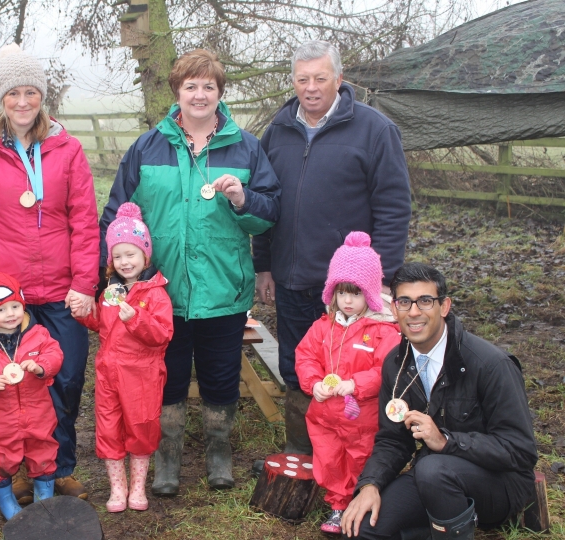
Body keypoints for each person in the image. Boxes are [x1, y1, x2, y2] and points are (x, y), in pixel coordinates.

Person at [99, 49, 280, 495]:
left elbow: (270, 212)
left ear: (220, 92)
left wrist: (243, 200)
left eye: (209, 86)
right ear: (177, 91)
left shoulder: (246, 146)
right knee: (166, 376)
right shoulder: (147, 146)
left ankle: (219, 452)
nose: (199, 95)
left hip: (223, 289)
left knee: (221, 376)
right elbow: (115, 215)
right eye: (191, 86)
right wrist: (118, 277)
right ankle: (167, 459)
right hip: (158, 294)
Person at [0, 43, 99, 501]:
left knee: (67, 377)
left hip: (60, 291)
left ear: (42, 96)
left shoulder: (68, 149)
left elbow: (85, 220)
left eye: (30, 91)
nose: (22, 101)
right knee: (12, 388)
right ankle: (17, 468)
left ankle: (58, 468)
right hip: (4, 295)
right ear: (1, 98)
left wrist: (84, 285)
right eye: (12, 92)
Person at [252, 40, 411, 458]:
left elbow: (394, 208)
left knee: (356, 372)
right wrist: (264, 265)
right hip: (293, 280)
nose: (311, 87)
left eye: (321, 78)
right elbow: (266, 204)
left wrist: (384, 280)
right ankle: (303, 456)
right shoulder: (278, 131)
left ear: (339, 79)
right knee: (298, 367)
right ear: (293, 81)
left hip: (351, 291)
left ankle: (356, 459)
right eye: (302, 79)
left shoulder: (375, 130)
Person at [341, 263, 538, 540]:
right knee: (365, 527)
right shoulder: (396, 365)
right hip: (432, 477)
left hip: (501, 482)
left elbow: (521, 451)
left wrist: (446, 441)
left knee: (433, 468)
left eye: (425, 301)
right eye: (405, 302)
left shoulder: (491, 364)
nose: (414, 312)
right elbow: (393, 439)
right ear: (394, 309)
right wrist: (370, 485)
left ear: (444, 307)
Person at [294, 232, 400, 535]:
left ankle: (362, 501)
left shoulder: (382, 330)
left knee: (360, 460)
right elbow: (305, 357)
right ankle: (338, 505)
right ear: (332, 293)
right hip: (324, 415)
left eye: (355, 293)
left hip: (362, 419)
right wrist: (313, 384)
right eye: (341, 293)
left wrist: (355, 384)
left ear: (369, 293)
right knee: (329, 459)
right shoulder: (322, 327)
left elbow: (387, 369)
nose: (348, 300)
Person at [73, 202, 174, 512]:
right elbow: (103, 324)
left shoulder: (155, 293)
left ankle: (138, 487)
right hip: (109, 374)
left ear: (145, 255)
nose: (124, 261)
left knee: (141, 427)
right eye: (117, 256)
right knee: (108, 427)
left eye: (130, 254)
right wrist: (83, 315)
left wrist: (136, 319)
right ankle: (118, 489)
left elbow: (162, 335)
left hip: (142, 376)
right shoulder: (109, 292)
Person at [0, 272, 63, 520]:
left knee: (43, 453)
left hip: (38, 412)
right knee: (2, 459)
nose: (10, 314)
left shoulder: (38, 334)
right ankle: (7, 502)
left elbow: (55, 353)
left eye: (15, 306)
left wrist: (41, 367)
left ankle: (44, 499)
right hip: (2, 418)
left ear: (23, 305)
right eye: (1, 310)